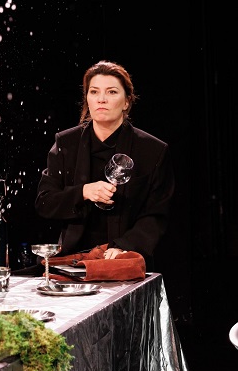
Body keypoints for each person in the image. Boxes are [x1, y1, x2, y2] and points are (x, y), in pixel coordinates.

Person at [35, 60, 174, 270]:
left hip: (123, 259)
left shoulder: (152, 150)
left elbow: (156, 214)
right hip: (73, 260)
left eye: (111, 92)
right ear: (87, 99)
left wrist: (124, 246)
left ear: (126, 101)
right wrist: (83, 192)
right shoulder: (66, 144)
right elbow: (45, 202)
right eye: (94, 92)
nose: (101, 99)